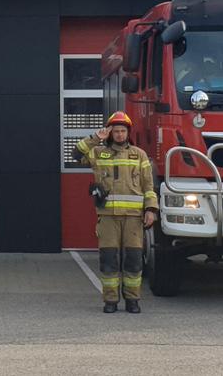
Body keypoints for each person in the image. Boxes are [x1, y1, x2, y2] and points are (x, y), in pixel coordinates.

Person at [74, 111, 157, 313]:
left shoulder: (139, 154)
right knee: (109, 260)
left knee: (133, 260)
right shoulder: (99, 152)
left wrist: (151, 209)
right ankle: (110, 301)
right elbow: (76, 154)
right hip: (108, 218)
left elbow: (148, 185)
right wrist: (96, 138)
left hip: (133, 218)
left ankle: (132, 300)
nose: (120, 134)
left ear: (128, 132)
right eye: (116, 131)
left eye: (123, 131)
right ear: (110, 132)